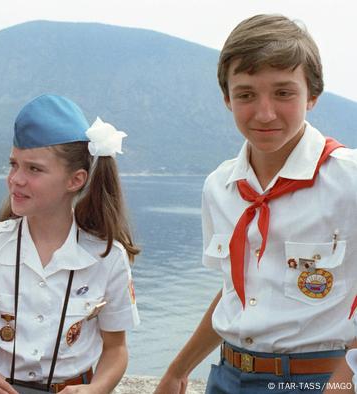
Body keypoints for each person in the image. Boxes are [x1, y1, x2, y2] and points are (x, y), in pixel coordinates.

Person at [155, 14, 357, 394]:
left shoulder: (349, 180)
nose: (264, 113)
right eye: (246, 94)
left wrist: (344, 383)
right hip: (228, 377)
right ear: (227, 98)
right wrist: (178, 370)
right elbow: (235, 291)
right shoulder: (221, 186)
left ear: (312, 95)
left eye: (283, 93)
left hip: (315, 381)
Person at [0, 94, 140, 393]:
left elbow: (116, 349)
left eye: (34, 169)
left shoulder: (108, 257)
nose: (16, 179)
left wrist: (96, 389)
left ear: (75, 180)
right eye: (14, 164)